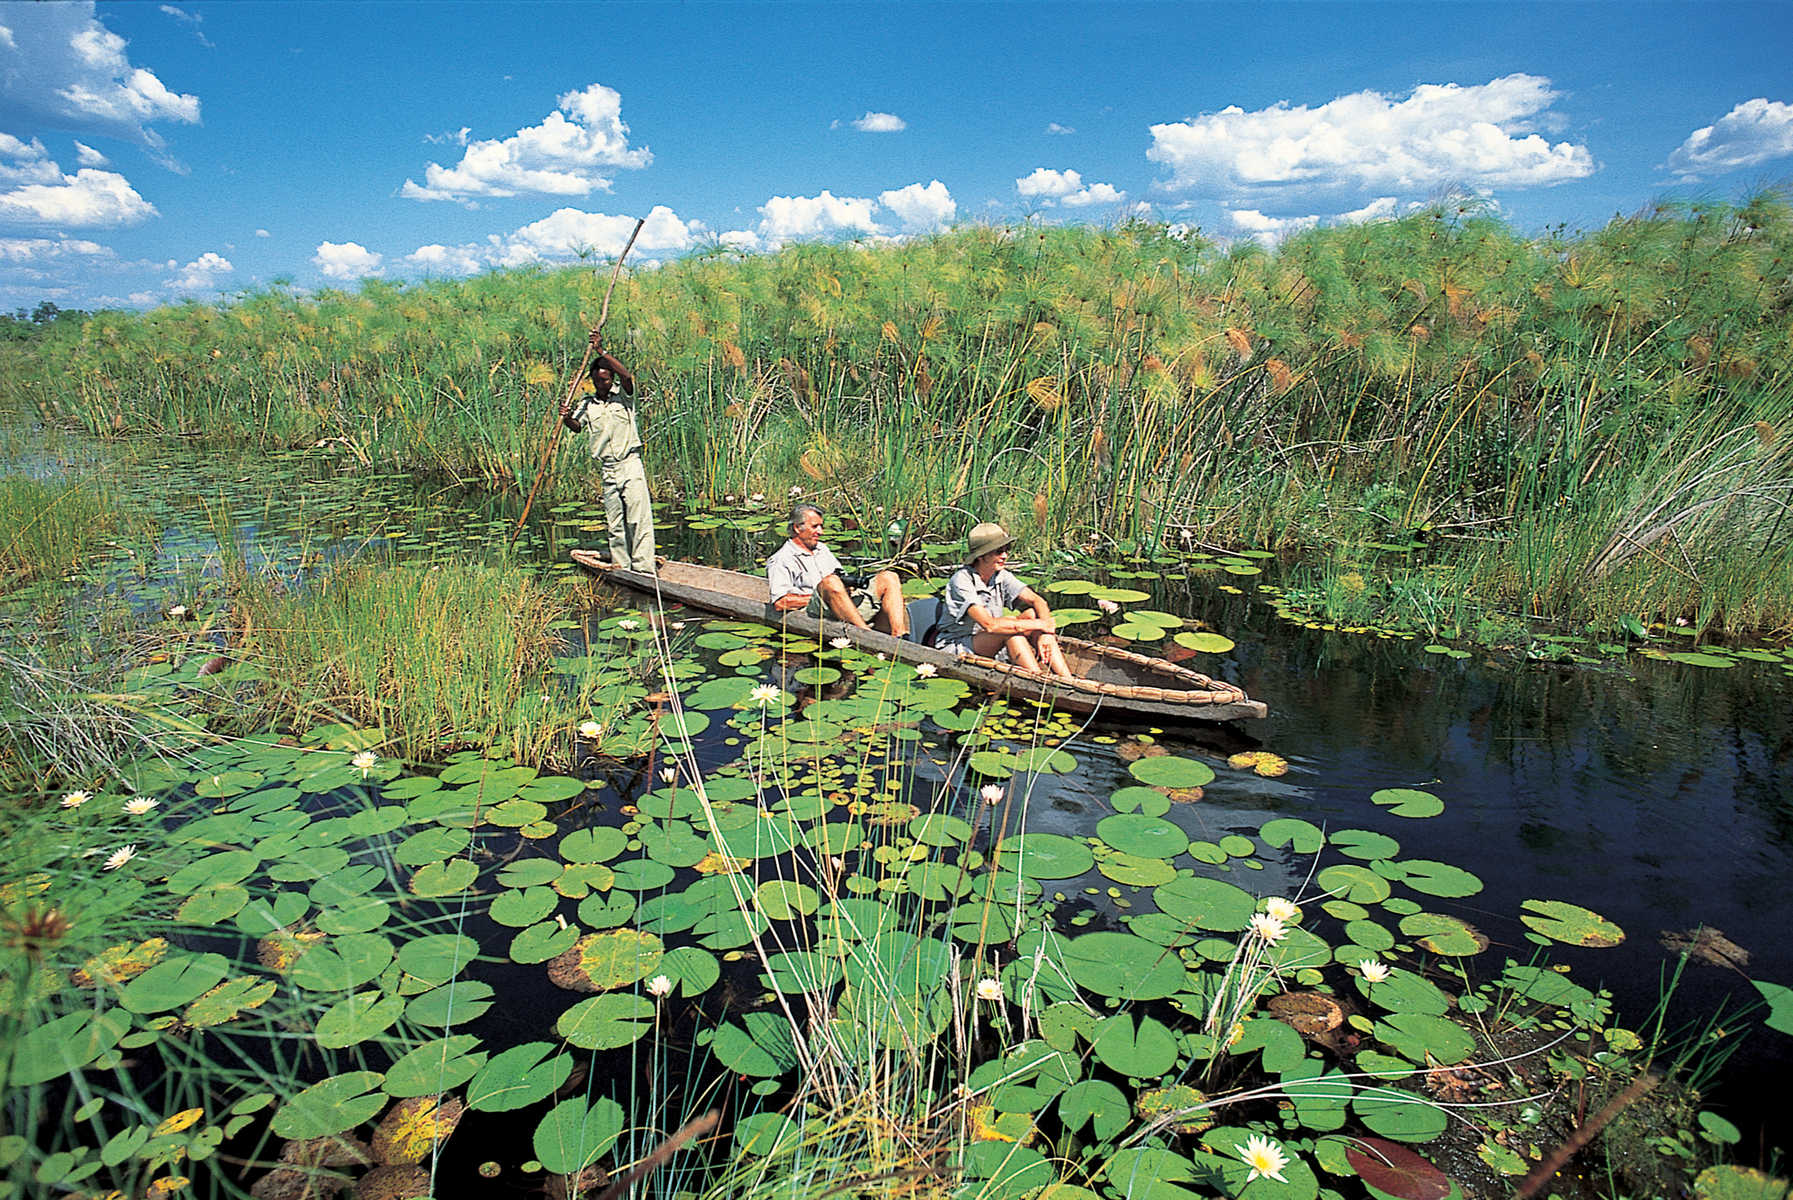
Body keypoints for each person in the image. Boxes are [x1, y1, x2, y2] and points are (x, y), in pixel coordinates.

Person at [560, 328, 655, 572]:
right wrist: (565, 417)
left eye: (606, 379)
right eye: (598, 380)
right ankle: (622, 567)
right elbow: (577, 427)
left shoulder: (623, 397)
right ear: (592, 380)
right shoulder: (587, 403)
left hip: (629, 464)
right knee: (615, 524)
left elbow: (627, 376)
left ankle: (644, 568)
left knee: (637, 518)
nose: (603, 383)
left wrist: (601, 351)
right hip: (608, 469)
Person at [934, 522, 1075, 678]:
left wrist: (1046, 633)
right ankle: (1037, 679)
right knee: (1010, 632)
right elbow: (990, 625)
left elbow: (1038, 601)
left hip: (988, 640)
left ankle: (1067, 679)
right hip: (958, 645)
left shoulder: (1001, 575)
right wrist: (1040, 624)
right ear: (981, 555)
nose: (1005, 556)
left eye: (1006, 550)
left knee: (1030, 614)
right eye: (998, 551)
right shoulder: (961, 581)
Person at [766, 502, 909, 638]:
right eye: (815, 527)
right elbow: (780, 603)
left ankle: (900, 635)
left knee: (889, 577)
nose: (820, 532)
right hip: (814, 611)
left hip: (841, 605)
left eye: (821, 526)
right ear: (797, 528)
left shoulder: (822, 549)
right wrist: (826, 595)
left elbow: (840, 577)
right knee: (830, 582)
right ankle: (866, 635)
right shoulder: (781, 559)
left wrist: (847, 587)